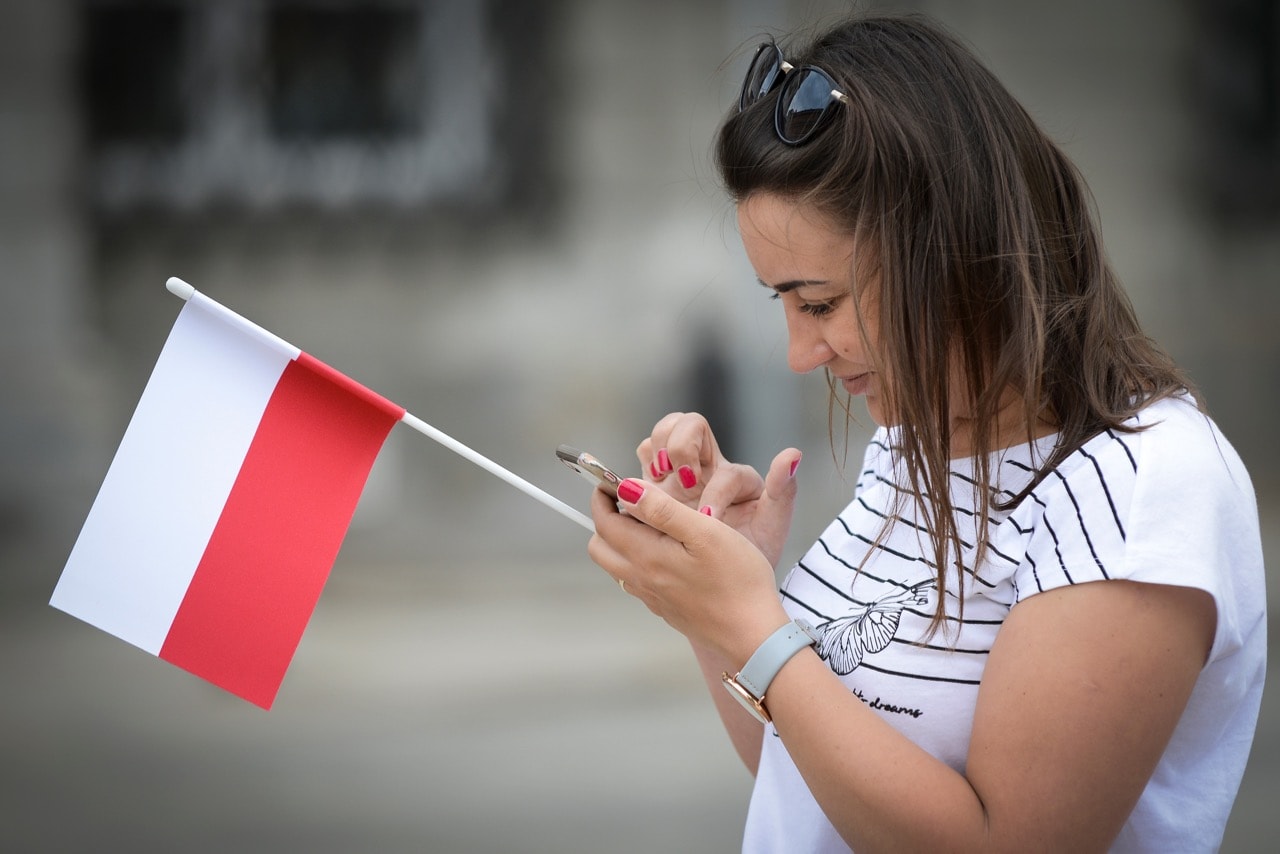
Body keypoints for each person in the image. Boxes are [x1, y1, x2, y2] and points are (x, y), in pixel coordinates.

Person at [586, 12, 1266, 853]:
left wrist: (756, 628)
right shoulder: (912, 446)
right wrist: (718, 592)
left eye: (820, 303)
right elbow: (801, 780)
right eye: (783, 304)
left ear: (947, 249)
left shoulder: (1144, 484)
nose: (800, 353)